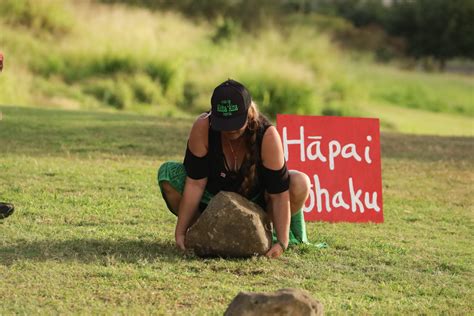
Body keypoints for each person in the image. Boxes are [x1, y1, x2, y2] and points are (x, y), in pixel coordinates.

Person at [157, 79, 311, 259]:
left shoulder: (267, 135)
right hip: (212, 201)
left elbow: (278, 194)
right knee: (167, 172)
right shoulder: (203, 126)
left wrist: (282, 242)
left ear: (249, 112)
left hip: (258, 204)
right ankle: (204, 232)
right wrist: (181, 232)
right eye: (223, 124)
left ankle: (265, 235)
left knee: (300, 182)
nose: (230, 131)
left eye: (236, 124)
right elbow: (195, 183)